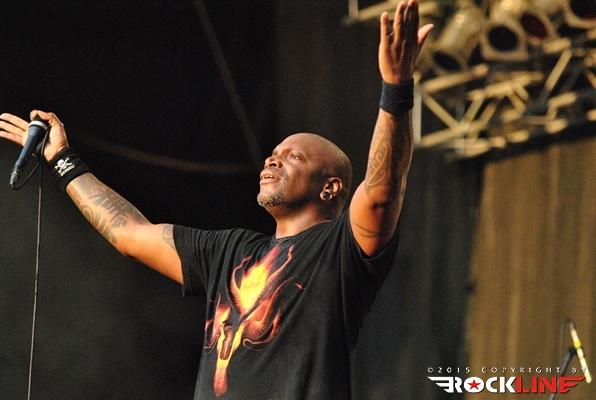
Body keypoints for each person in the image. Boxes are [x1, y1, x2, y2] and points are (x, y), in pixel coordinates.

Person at [0, 1, 432, 399]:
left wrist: (395, 89)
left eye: (293, 157)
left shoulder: (340, 251)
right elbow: (129, 233)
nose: (272, 160)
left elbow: (383, 188)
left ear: (330, 188)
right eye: (273, 153)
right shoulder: (228, 251)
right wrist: (63, 161)